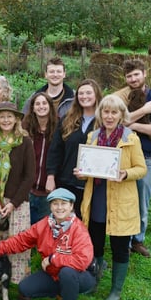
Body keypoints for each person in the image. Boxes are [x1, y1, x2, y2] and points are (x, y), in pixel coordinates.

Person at [0, 188, 95, 300]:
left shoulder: (78, 229)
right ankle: (61, 292)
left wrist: (53, 259)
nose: (60, 207)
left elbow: (82, 261)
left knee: (67, 272)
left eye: (64, 203)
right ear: (50, 206)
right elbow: (22, 240)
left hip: (81, 276)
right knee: (25, 288)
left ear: (71, 206)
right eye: (55, 203)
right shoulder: (44, 224)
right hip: (53, 274)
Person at [79, 95, 147, 300]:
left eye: (114, 112)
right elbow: (87, 165)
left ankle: (116, 290)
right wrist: (82, 173)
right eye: (106, 112)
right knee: (95, 244)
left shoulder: (131, 139)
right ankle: (94, 281)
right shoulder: (92, 136)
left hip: (120, 200)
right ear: (100, 114)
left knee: (119, 247)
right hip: (97, 199)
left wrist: (125, 174)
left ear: (121, 115)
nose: (109, 116)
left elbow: (142, 169)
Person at [114, 58, 151, 258]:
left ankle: (137, 240)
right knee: (120, 201)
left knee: (141, 201)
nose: (133, 79)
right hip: (120, 156)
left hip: (145, 157)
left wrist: (135, 126)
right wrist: (142, 113)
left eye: (136, 74)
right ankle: (121, 240)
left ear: (144, 74)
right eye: (129, 76)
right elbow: (115, 122)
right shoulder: (119, 99)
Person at [0, 102, 35, 285]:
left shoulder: (25, 142)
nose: (6, 120)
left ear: (17, 119)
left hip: (17, 202)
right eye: (2, 116)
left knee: (18, 241)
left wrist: (12, 204)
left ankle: (21, 285)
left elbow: (29, 176)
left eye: (10, 116)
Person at [45, 79, 103, 217]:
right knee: (67, 223)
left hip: (95, 185)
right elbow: (55, 150)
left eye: (88, 93)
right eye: (81, 93)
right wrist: (51, 176)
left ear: (97, 95)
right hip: (68, 182)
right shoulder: (67, 119)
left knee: (92, 227)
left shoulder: (104, 121)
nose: (84, 96)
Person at [23, 92, 59, 223]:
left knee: (45, 231)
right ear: (32, 108)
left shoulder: (59, 128)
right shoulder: (25, 127)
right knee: (26, 230)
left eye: (44, 103)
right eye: (37, 104)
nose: (41, 106)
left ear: (50, 106)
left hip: (49, 191)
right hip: (28, 190)